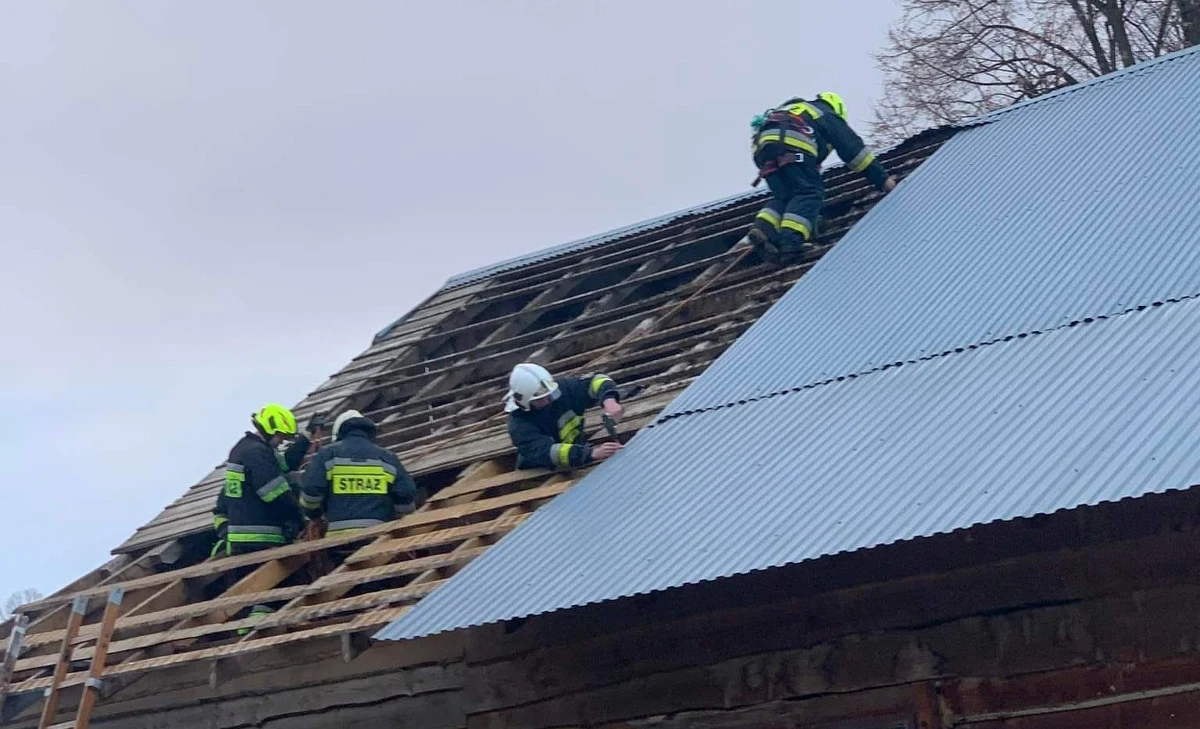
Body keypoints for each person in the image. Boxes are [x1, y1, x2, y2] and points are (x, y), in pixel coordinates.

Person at [747, 91, 897, 264]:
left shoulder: (795, 110)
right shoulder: (825, 112)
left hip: (762, 151)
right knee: (809, 192)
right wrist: (883, 180)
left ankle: (763, 229)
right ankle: (792, 243)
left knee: (785, 196)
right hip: (790, 146)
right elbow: (854, 152)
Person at [211, 404, 325, 558]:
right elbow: (276, 493)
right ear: (269, 430)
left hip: (241, 540)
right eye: (281, 437)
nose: (281, 442)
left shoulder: (245, 449)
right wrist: (303, 515)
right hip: (262, 538)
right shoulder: (256, 453)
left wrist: (306, 436)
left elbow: (283, 463)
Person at [298, 410, 417, 538]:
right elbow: (406, 494)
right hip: (379, 535)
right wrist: (397, 519)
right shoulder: (387, 457)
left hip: (338, 539)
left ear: (338, 434)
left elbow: (311, 494)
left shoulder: (328, 455)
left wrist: (315, 516)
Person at [505, 363, 624, 470]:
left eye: (549, 394)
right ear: (525, 401)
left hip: (578, 453)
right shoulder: (519, 425)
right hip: (541, 471)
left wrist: (609, 400)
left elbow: (597, 380)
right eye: (541, 399)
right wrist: (590, 453)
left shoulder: (562, 390)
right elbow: (548, 452)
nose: (548, 399)